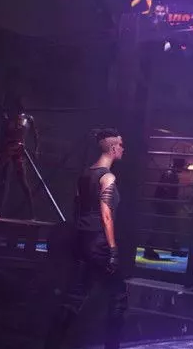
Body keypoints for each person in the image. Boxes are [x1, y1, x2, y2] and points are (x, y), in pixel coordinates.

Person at [45, 128, 128, 349]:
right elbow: (106, 215)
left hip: (81, 239)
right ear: (113, 148)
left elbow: (77, 207)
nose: (123, 149)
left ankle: (51, 344)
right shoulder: (107, 177)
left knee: (75, 295)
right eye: (121, 145)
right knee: (118, 296)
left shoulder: (84, 175)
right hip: (99, 242)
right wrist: (112, 249)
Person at [0, 96, 39, 219]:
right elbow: (4, 134)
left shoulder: (28, 119)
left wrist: (36, 150)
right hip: (8, 149)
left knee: (23, 183)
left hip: (19, 150)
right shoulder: (9, 118)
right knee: (1, 179)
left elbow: (35, 135)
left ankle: (32, 213)